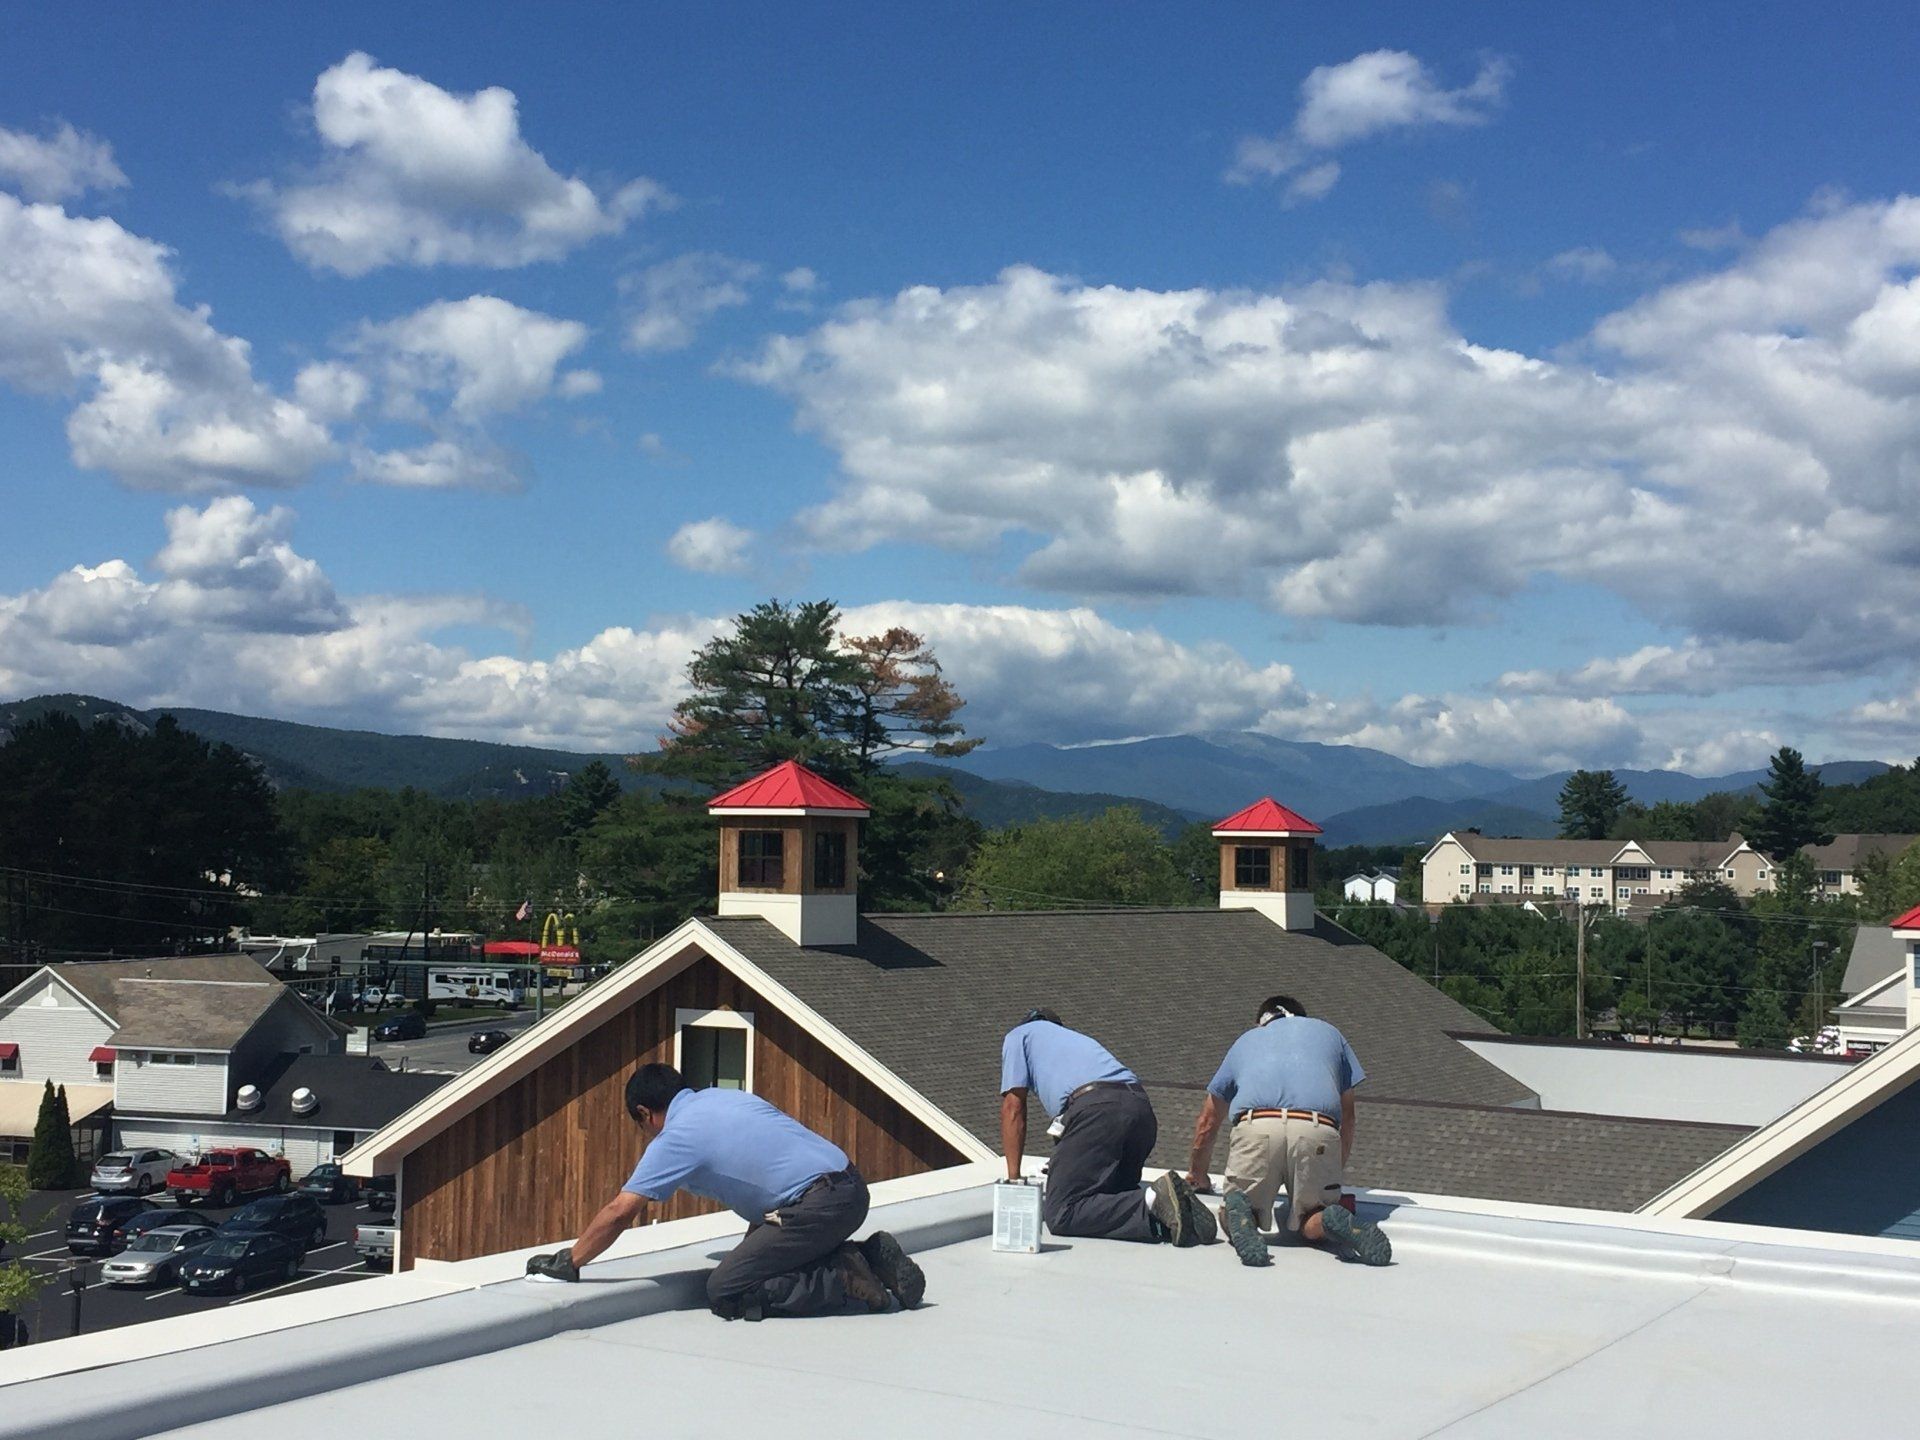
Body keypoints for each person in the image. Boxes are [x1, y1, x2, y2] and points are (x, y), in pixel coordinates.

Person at [524, 1062, 926, 1320]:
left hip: (817, 1204)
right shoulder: (724, 1096)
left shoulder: (676, 1137)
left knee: (727, 1288)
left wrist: (570, 1261)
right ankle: (862, 1256)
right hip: (850, 1186)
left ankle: (849, 1276)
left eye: (641, 1124)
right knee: (760, 1251)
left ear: (645, 1114)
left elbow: (620, 1211)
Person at [1185, 995, 1390, 1268]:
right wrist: (1331, 1175)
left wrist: (1198, 1175)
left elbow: (1208, 1121)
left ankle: (1241, 1212)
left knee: (1237, 1205)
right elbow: (1349, 1118)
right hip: (1317, 1127)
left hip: (1257, 1125)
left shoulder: (1246, 1040)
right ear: (1302, 1017)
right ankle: (1327, 1219)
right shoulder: (1330, 1034)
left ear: (1262, 1022)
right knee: (1312, 1217)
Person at [1001, 1008, 1216, 1247]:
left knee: (1063, 1211)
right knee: (1111, 1198)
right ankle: (1170, 1219)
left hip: (1098, 1111)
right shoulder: (1078, 1043)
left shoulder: (1019, 1035)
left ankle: (1152, 1198)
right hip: (1140, 1110)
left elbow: (1013, 1107)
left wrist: (1014, 1180)